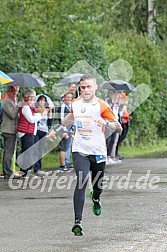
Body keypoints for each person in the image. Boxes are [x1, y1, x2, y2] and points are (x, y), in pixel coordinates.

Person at [48, 74, 122, 236]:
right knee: (81, 181)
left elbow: (118, 127)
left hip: (98, 152)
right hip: (80, 149)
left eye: (89, 86)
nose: (86, 90)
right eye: (83, 87)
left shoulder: (101, 105)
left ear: (95, 87)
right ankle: (78, 221)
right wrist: (56, 129)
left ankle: (96, 198)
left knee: (98, 185)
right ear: (79, 89)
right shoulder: (75, 103)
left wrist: (106, 123)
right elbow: (70, 118)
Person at [17, 89, 44, 177]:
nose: (33, 100)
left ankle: (25, 172)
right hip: (26, 133)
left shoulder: (30, 108)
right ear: (27, 98)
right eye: (31, 98)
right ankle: (24, 172)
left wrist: (37, 114)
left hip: (30, 132)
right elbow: (31, 119)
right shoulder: (25, 107)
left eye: (34, 98)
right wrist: (40, 115)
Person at [1, 85, 20, 179]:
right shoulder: (6, 101)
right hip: (8, 130)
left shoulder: (12, 100)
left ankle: (7, 171)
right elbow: (12, 114)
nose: (15, 92)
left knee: (10, 151)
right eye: (14, 91)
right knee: (8, 152)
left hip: (12, 129)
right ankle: (7, 173)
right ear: (9, 91)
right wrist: (18, 106)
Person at [33, 95, 53, 176]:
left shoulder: (47, 110)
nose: (42, 101)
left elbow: (50, 122)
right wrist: (42, 113)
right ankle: (35, 168)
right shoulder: (36, 109)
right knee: (35, 149)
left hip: (44, 131)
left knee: (40, 150)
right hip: (37, 130)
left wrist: (50, 111)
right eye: (41, 100)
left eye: (44, 100)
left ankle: (38, 168)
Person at [57, 91, 74, 172]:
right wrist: (64, 130)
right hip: (64, 130)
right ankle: (62, 166)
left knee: (68, 147)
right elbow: (61, 119)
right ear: (63, 98)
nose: (69, 99)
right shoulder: (63, 106)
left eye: (70, 98)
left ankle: (67, 163)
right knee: (64, 147)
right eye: (67, 97)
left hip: (70, 129)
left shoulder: (70, 105)